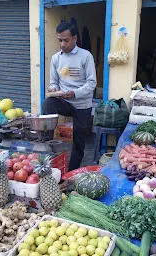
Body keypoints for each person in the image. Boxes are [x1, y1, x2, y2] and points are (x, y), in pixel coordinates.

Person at [43, 21, 97, 171]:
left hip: (82, 105)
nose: (62, 44)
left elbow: (91, 83)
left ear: (74, 38)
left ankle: (71, 171)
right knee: (48, 102)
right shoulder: (56, 58)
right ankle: (47, 142)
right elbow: (54, 82)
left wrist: (74, 93)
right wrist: (53, 89)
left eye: (66, 40)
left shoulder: (86, 56)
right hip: (65, 102)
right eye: (59, 40)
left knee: (79, 141)